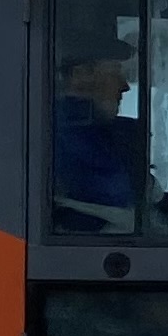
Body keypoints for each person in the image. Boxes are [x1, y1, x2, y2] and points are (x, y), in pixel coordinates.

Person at [51, 38, 140, 231]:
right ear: (81, 75)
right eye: (114, 73)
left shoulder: (93, 128)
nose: (125, 86)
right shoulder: (65, 133)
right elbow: (116, 195)